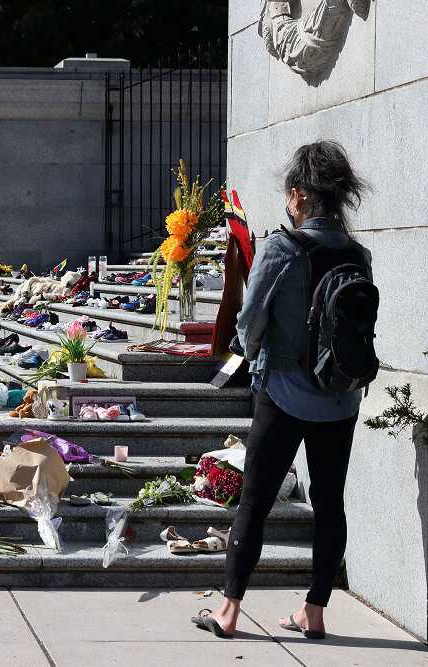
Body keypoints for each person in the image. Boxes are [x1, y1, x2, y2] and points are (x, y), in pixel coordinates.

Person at [193, 141, 371, 639]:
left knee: (255, 500)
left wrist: (254, 357)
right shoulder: (358, 254)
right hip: (340, 396)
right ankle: (314, 611)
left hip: (283, 392)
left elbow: (250, 321)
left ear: (299, 195)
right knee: (330, 500)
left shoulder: (280, 248)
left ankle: (228, 612)